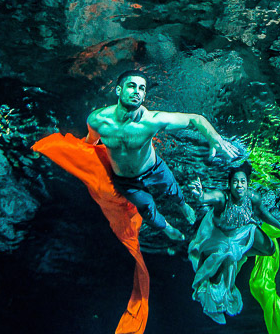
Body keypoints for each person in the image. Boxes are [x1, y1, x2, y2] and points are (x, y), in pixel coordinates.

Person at [85, 70, 241, 241]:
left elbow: (195, 119)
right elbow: (90, 143)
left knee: (173, 190)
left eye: (142, 88)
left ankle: (183, 205)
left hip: (154, 169)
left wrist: (214, 137)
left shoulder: (152, 121)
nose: (137, 91)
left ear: (144, 96)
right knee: (147, 210)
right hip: (125, 180)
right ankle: (167, 228)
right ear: (118, 90)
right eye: (131, 86)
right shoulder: (97, 120)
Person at [187, 162, 280, 324]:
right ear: (229, 185)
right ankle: (213, 301)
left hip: (241, 232)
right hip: (218, 238)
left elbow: (264, 215)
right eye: (235, 182)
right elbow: (207, 197)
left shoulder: (253, 198)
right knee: (217, 277)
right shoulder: (222, 198)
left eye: (243, 182)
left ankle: (238, 254)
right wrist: (200, 195)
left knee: (270, 249)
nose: (239, 185)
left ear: (248, 183)